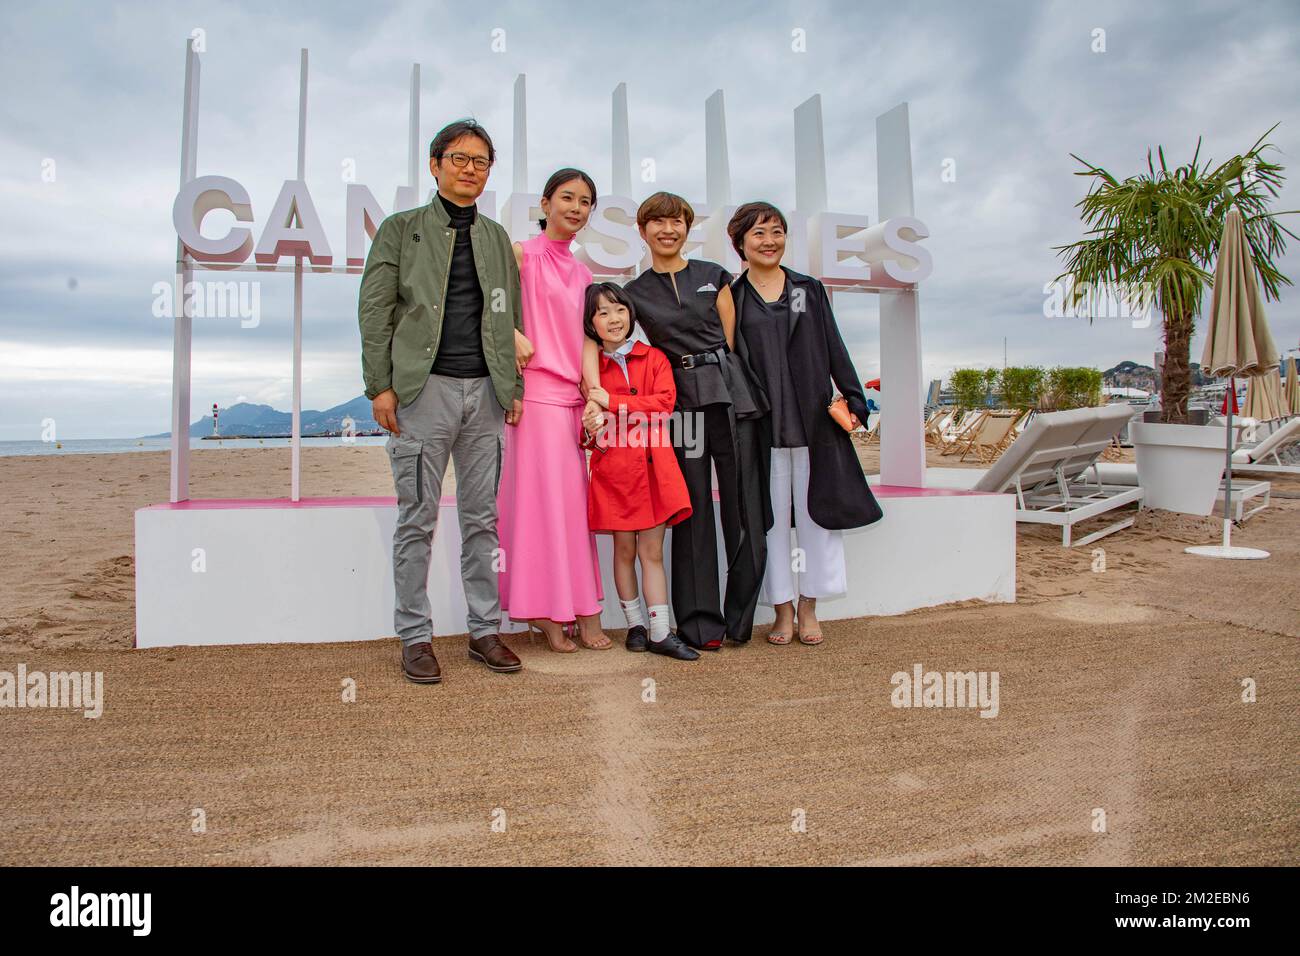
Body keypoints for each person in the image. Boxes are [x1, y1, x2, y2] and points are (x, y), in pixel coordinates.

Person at [358, 118, 524, 684]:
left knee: (483, 520)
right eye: (459, 158)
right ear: (435, 165)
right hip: (420, 393)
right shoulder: (400, 230)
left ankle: (484, 631)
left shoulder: (497, 238)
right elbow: (375, 311)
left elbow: (508, 318)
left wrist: (512, 389)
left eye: (480, 162)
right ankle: (415, 636)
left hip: (485, 394)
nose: (469, 170)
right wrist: (379, 385)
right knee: (417, 520)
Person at [591, 192, 771, 651]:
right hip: (679, 408)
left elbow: (730, 340)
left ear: (687, 228)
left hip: (731, 396)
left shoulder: (715, 276)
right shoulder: (632, 293)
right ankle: (699, 625)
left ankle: (741, 618)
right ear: (642, 230)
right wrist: (595, 395)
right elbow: (596, 338)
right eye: (658, 222)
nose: (668, 230)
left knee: (743, 504)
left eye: (677, 222)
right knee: (693, 510)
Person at [726, 201, 883, 646]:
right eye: (758, 233)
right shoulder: (733, 296)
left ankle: (810, 606)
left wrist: (854, 397)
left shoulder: (807, 289)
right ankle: (781, 609)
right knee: (770, 523)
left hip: (814, 423)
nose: (769, 241)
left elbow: (834, 345)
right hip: (762, 426)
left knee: (819, 518)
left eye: (776, 231)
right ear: (740, 241)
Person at [496, 168, 611, 652]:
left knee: (572, 511)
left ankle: (582, 608)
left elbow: (589, 342)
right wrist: (512, 333)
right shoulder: (519, 255)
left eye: (585, 201)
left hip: (571, 402)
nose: (576, 208)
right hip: (531, 398)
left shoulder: (585, 274)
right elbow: (487, 306)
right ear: (545, 204)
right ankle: (544, 612)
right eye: (567, 197)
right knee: (538, 509)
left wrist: (595, 393)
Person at [581, 282, 697, 660]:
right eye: (602, 312)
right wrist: (590, 427)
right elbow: (584, 430)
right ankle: (635, 626)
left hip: (654, 469)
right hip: (614, 472)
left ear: (630, 313)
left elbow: (664, 405)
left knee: (652, 552)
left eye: (619, 309)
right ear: (591, 322)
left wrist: (611, 402)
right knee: (623, 549)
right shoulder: (589, 370)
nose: (614, 319)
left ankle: (661, 631)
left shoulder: (654, 358)